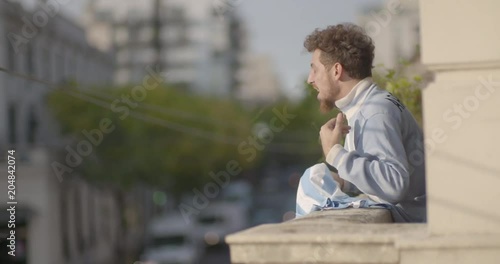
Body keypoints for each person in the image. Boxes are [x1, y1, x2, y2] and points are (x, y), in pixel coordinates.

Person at [300, 23, 426, 222]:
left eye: (314, 70)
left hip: (413, 232)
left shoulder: (374, 111)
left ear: (336, 71)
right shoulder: (373, 103)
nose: (310, 79)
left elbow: (394, 185)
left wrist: (335, 153)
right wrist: (346, 182)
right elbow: (384, 173)